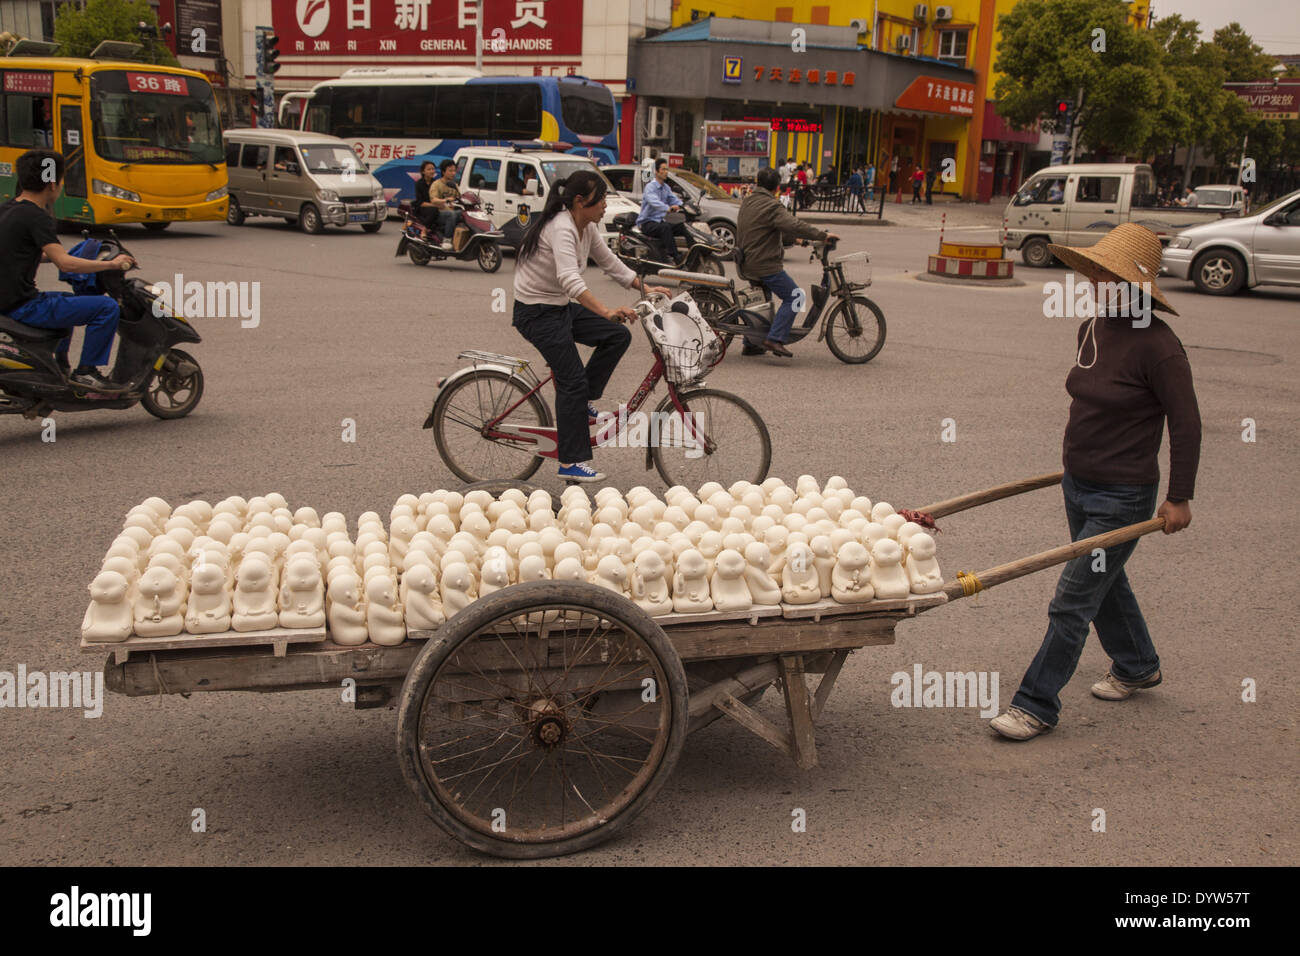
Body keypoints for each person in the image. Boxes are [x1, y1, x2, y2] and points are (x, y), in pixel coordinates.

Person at [990, 224, 1201, 741]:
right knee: (1104, 580)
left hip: (1123, 494)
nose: (1092, 284)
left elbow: (1187, 424)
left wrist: (1179, 497)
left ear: (1133, 286)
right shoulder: (1091, 328)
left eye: (1105, 277)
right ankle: (1137, 664)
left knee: (1072, 599)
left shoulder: (1160, 347)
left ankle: (1035, 704)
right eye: (1094, 274)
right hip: (1078, 483)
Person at [512, 170, 670, 482]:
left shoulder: (586, 226)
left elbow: (610, 262)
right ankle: (570, 462)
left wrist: (645, 289)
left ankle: (581, 405)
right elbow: (569, 279)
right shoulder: (562, 227)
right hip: (536, 312)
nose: (605, 207)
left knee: (616, 336)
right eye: (601, 201)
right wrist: (606, 310)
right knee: (572, 382)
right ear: (581, 202)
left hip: (556, 307)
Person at [0, 149, 135, 391]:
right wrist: (111, 264)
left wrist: (56, 256)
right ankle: (87, 372)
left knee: (68, 302)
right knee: (106, 308)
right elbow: (66, 264)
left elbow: (20, 252)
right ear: (52, 183)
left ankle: (59, 365)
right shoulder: (36, 216)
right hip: (22, 306)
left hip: (7, 301)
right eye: (61, 180)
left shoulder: (8, 209)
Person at [735, 166, 839, 358]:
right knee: (796, 297)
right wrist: (822, 235)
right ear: (776, 187)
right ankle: (774, 339)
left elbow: (765, 230)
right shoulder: (771, 206)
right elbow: (793, 224)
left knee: (762, 302)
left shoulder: (749, 202)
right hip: (764, 264)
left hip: (746, 261)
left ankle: (751, 343)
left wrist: (798, 241)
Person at [636, 158, 689, 264]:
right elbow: (654, 202)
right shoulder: (650, 187)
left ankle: (694, 251)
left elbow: (674, 199)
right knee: (666, 227)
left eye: (667, 169)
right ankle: (675, 257)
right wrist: (668, 208)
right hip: (647, 223)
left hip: (659, 222)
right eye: (663, 169)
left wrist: (685, 206)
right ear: (656, 171)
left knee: (682, 227)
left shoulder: (666, 188)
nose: (666, 172)